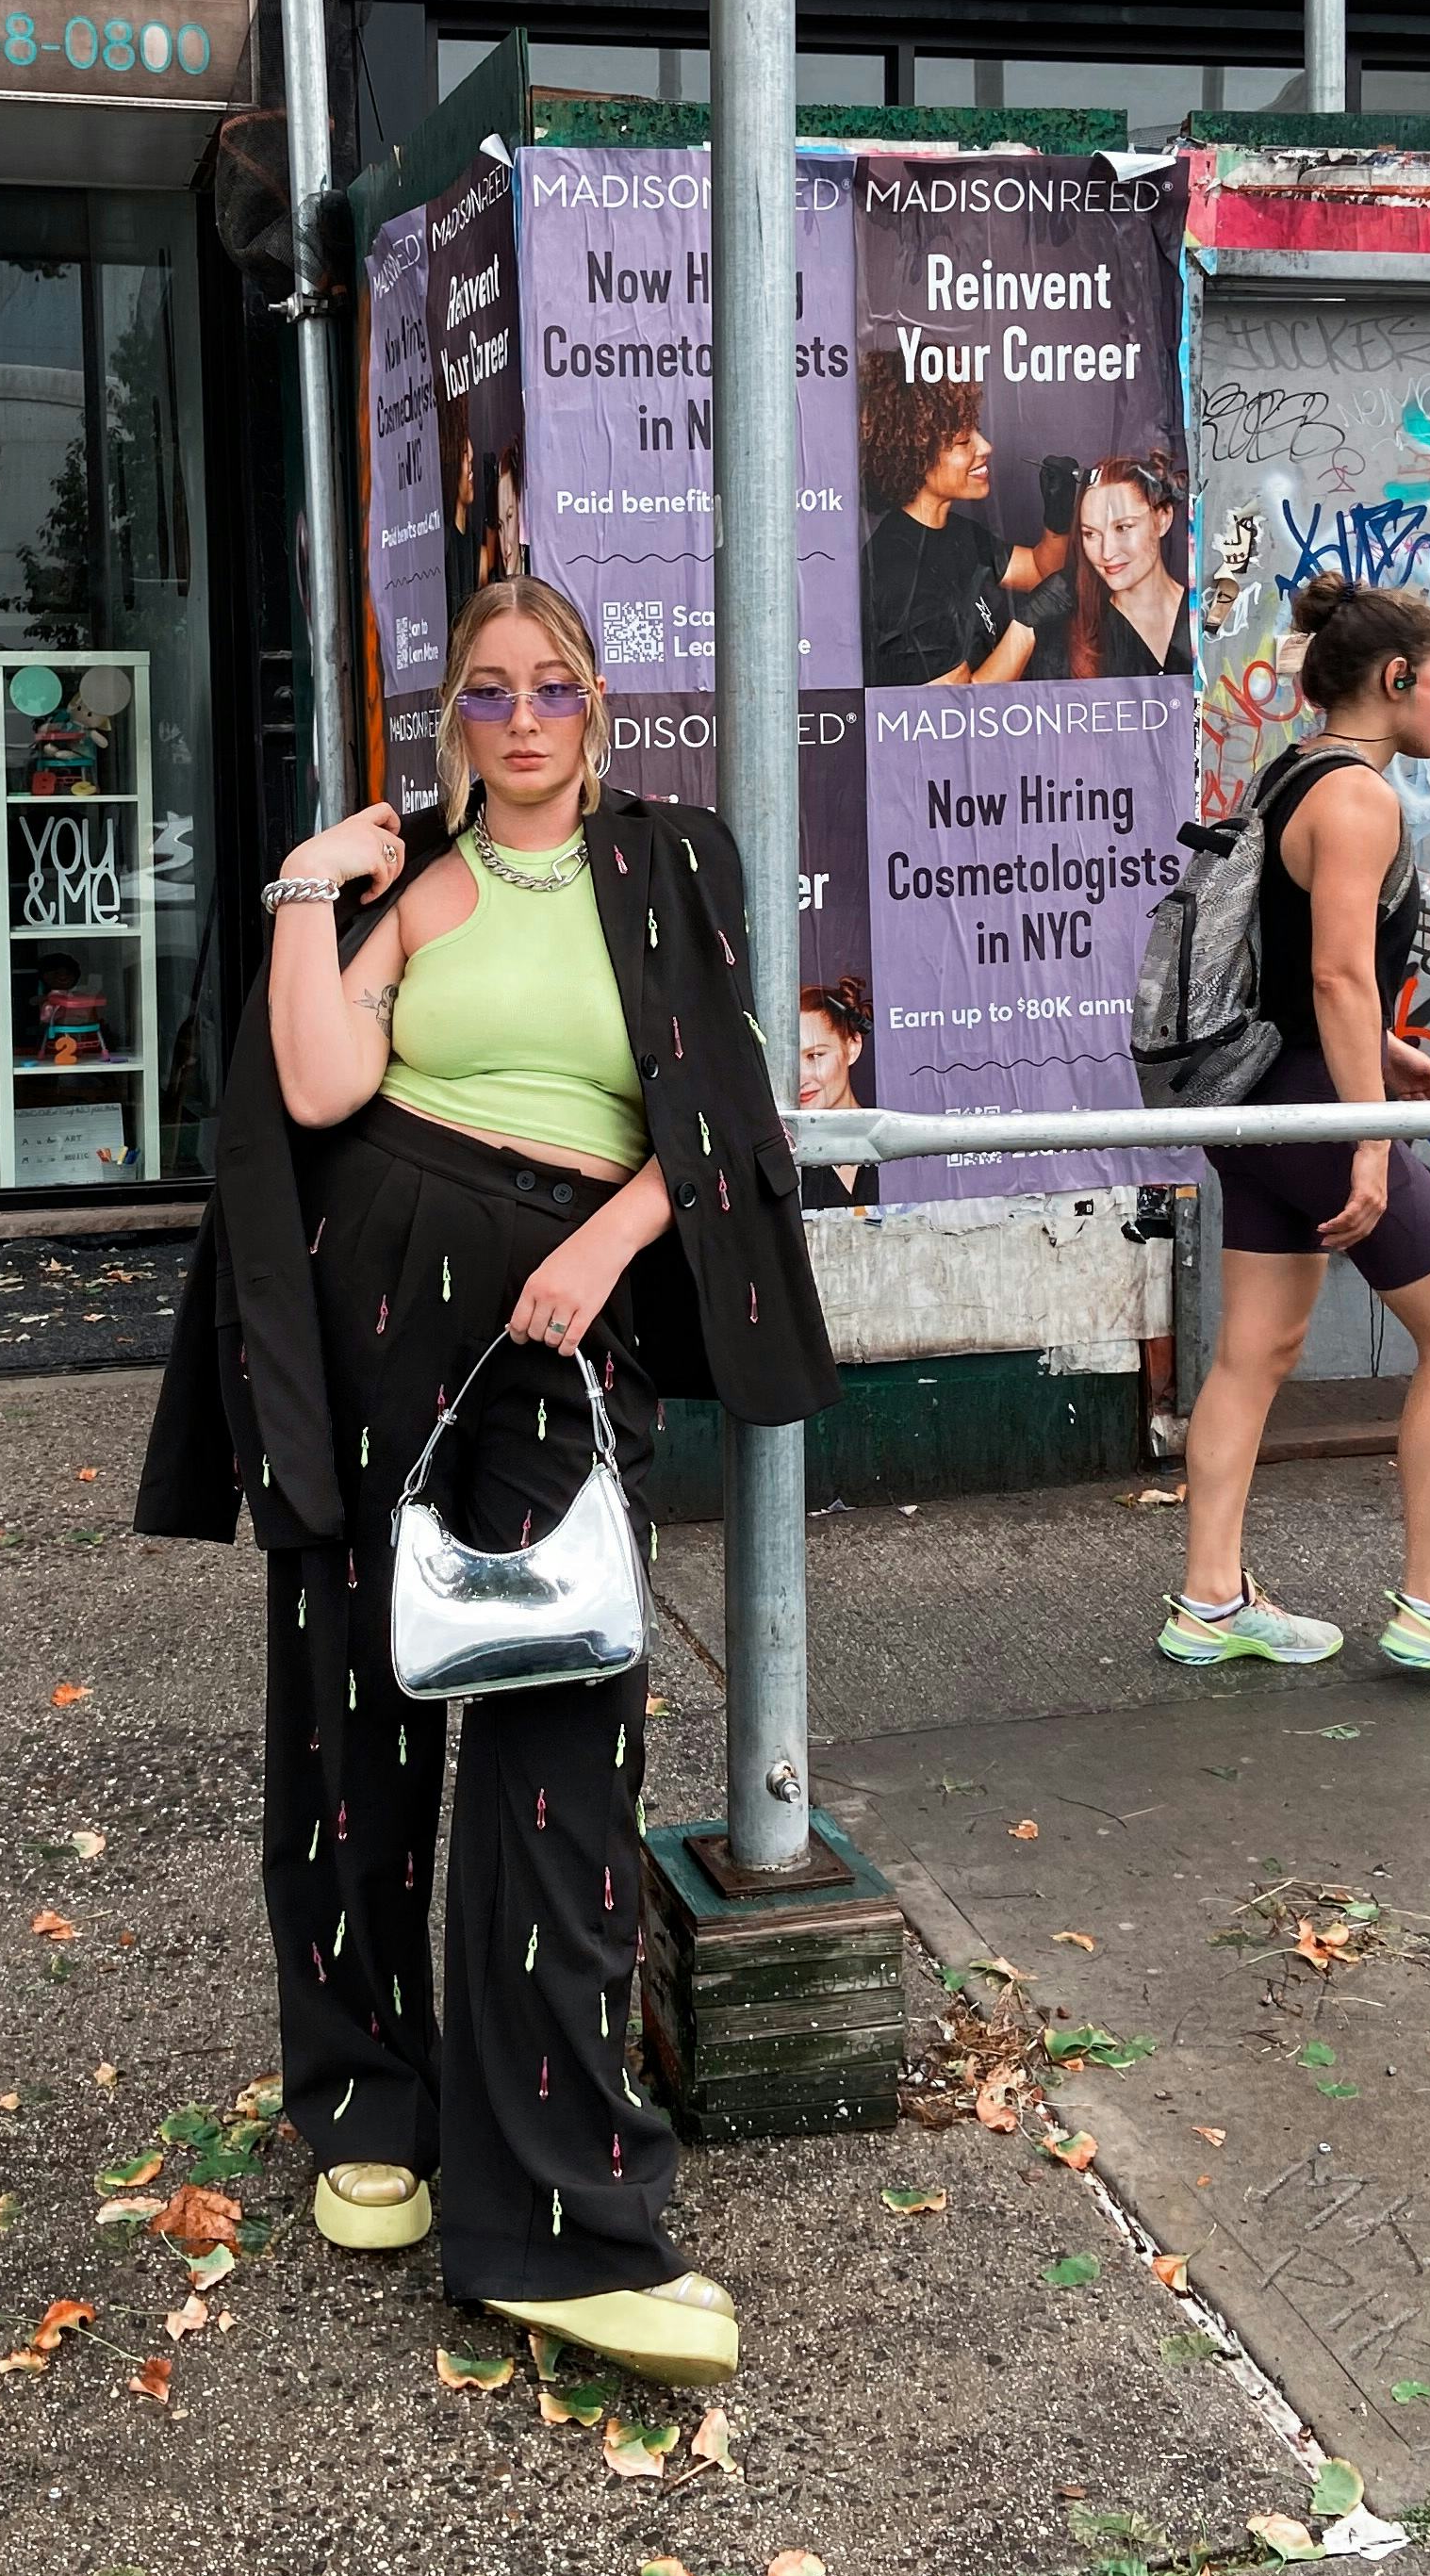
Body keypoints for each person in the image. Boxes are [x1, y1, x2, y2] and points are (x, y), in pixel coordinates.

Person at [136, 576, 838, 2387]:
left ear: (595, 700)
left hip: (554, 1315)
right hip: (366, 1296)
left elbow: (722, 1107)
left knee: (558, 1735)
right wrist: (307, 884)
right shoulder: (410, 877)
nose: (520, 719)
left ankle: (553, 2208)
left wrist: (607, 1242)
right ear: (452, 714)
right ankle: (367, 2101)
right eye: (487, 692)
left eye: (550, 687)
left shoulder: (671, 860)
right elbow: (315, 1086)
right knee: (349, 1714)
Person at [1166, 572, 1430, 1687]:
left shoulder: (1291, 771)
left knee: (1255, 1350)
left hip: (1259, 1099)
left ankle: (1210, 1602)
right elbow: (1340, 974)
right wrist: (1371, 1136)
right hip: (1308, 1107)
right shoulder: (1358, 800)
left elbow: (1305, 966)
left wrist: (1381, 1053)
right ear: (1395, 679)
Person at [859, 386, 1077, 686]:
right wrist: (1025, 628)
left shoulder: (955, 531)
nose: (985, 446)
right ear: (915, 458)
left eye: (977, 432)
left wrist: (1058, 518)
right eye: (963, 441)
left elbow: (1041, 571)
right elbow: (957, 704)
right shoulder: (899, 573)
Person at [1020, 455, 1194, 681]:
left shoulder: (1206, 616)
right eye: (1090, 534)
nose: (1106, 553)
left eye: (1123, 528)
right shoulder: (1069, 639)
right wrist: (1023, 625)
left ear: (1162, 519)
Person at [796, 976, 879, 1205]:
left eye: (815, 1056)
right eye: (787, 1060)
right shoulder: (776, 1160)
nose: (801, 1078)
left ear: (852, 1046)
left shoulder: (895, 1138)